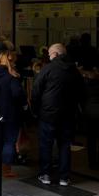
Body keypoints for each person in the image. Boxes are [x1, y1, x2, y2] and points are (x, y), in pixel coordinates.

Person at [31, 43, 85, 186]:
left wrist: (36, 110)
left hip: (47, 115)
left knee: (46, 145)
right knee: (65, 145)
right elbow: (81, 92)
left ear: (55, 54)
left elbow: (36, 91)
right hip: (68, 115)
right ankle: (64, 177)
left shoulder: (47, 69)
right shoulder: (74, 70)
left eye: (49, 54)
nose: (48, 57)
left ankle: (46, 175)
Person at [0, 42, 27, 178]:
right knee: (9, 140)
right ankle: (5, 169)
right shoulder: (11, 76)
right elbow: (17, 94)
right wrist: (24, 105)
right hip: (10, 113)